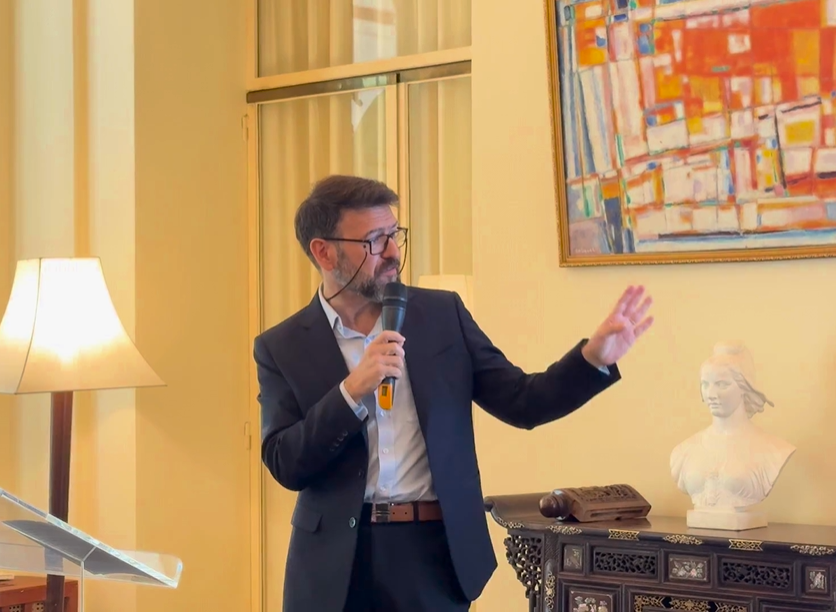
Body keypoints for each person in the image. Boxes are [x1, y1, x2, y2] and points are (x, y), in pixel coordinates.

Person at [254, 175, 654, 612]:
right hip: (334, 568)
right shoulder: (282, 346)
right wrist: (350, 392)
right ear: (324, 252)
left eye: (394, 235)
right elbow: (285, 462)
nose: (392, 252)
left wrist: (592, 358)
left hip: (431, 554)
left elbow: (522, 401)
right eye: (373, 241)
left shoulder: (442, 315)